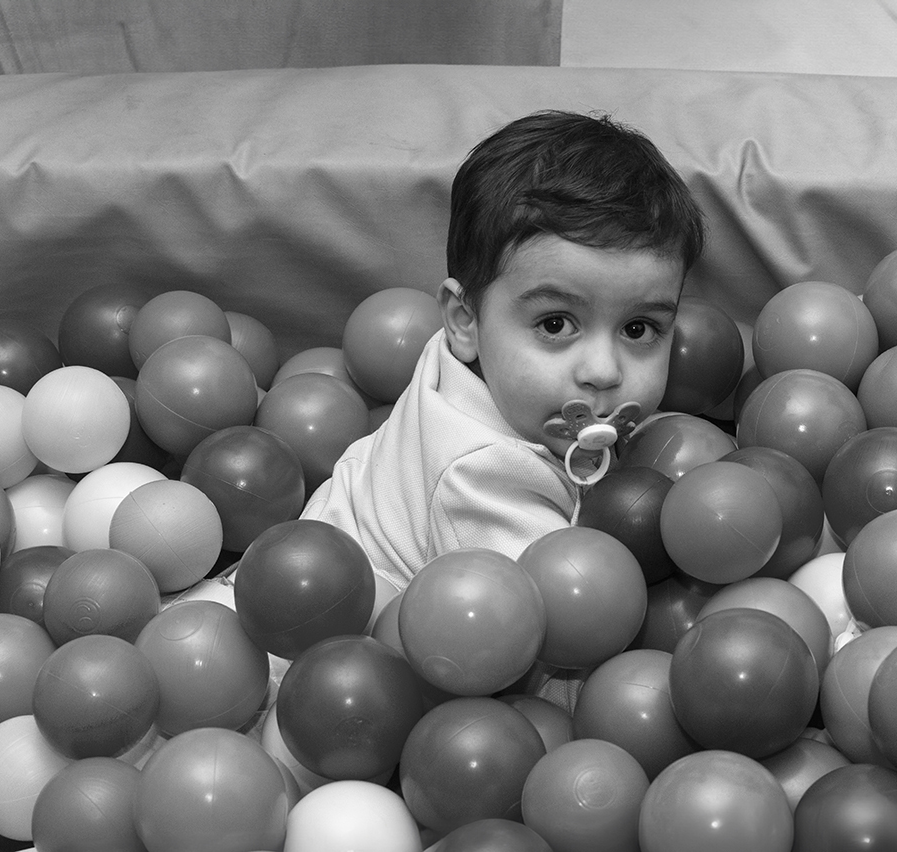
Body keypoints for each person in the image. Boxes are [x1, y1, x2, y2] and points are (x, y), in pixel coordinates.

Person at [300, 109, 706, 705]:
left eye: (639, 328)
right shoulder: (484, 478)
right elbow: (561, 642)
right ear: (465, 320)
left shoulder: (476, 360)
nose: (604, 371)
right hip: (325, 666)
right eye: (556, 323)